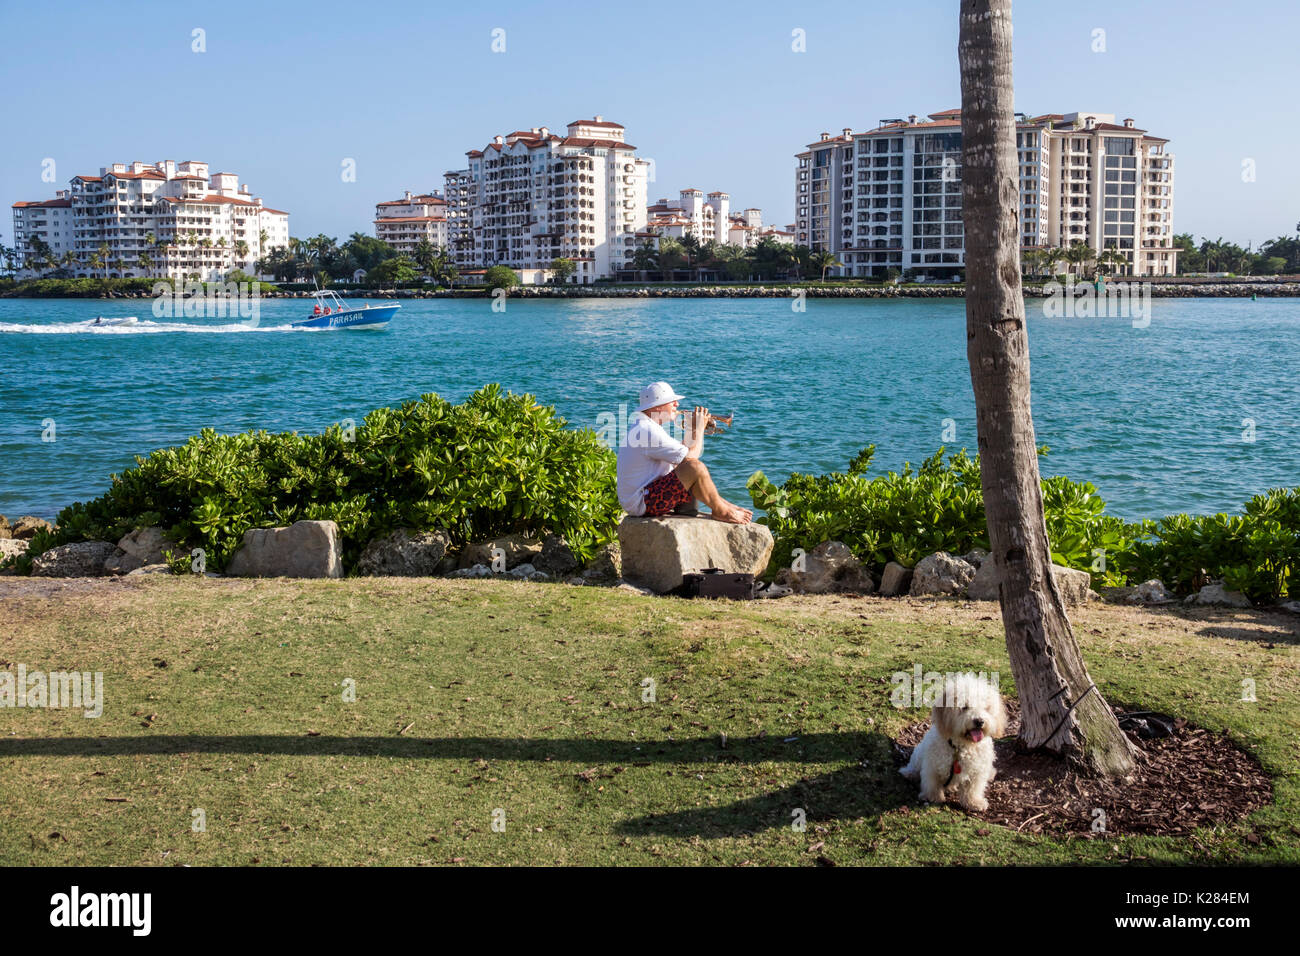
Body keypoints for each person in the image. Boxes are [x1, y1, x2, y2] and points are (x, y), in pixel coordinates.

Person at [616, 381, 753, 524]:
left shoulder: (646, 426)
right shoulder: (646, 430)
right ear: (657, 406)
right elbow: (692, 459)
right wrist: (698, 429)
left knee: (689, 470)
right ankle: (722, 511)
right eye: (671, 401)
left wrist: (691, 428)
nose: (677, 404)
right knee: (696, 468)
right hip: (642, 502)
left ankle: (724, 506)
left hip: (645, 496)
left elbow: (681, 457)